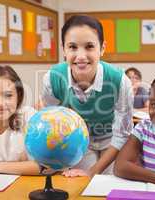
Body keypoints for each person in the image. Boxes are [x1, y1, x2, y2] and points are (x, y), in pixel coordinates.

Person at [41, 15, 133, 177]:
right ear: (64, 49)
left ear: (102, 48)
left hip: (113, 141)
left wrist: (93, 171)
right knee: (80, 184)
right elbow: (55, 122)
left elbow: (122, 133)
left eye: (89, 46)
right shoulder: (52, 79)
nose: (81, 56)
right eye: (72, 47)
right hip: (80, 140)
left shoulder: (120, 81)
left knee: (108, 182)